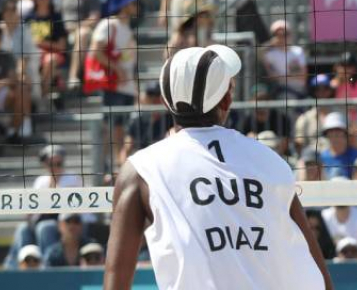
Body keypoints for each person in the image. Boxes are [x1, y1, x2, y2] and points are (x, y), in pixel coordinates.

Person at [104, 45, 332, 290]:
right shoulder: (271, 161)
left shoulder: (141, 169)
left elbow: (116, 278)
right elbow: (315, 266)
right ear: (227, 99)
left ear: (164, 101)